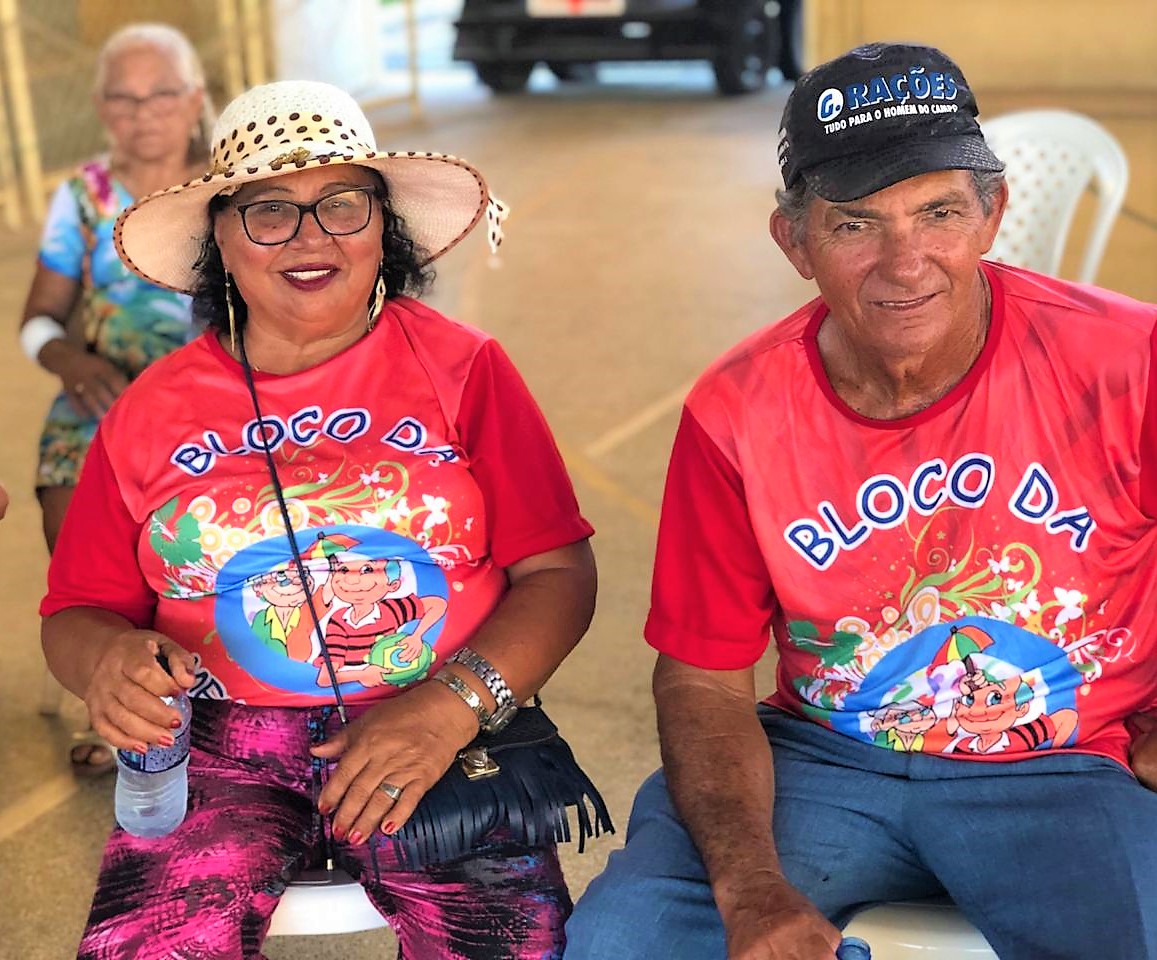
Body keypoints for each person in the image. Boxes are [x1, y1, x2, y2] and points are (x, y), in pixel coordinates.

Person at [565, 41, 1157, 960]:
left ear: (992, 214)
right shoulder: (735, 411)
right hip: (821, 764)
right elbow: (702, 676)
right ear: (793, 242)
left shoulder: (1127, 360)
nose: (904, 263)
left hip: (1068, 765)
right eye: (854, 224)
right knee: (622, 940)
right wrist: (750, 888)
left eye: (938, 213)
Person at [41, 79, 599, 959]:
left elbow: (558, 573)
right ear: (221, 240)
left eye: (342, 203)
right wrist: (103, 665)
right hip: (218, 745)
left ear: (383, 227)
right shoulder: (148, 410)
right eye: (269, 211)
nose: (310, 237)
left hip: (436, 724)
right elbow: (76, 609)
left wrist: (450, 707)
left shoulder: (466, 369)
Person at [18, 22, 212, 776]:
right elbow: (39, 319)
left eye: (162, 93)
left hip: (210, 402)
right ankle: (116, 701)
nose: (143, 113)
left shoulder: (226, 187)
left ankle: (210, 694)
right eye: (124, 99)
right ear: (101, 107)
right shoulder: (84, 197)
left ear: (194, 98)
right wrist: (69, 359)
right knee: (80, 532)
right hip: (100, 400)